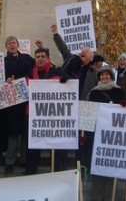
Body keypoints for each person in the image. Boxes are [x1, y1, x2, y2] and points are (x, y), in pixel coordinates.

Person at [50, 24, 101, 171]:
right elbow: (63, 48)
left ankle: (81, 168)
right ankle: (61, 166)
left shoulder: (94, 72)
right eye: (81, 51)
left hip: (84, 109)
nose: (82, 52)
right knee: (64, 138)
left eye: (86, 51)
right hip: (66, 108)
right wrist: (55, 35)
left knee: (81, 141)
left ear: (91, 58)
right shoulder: (72, 62)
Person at [24, 47, 68, 175]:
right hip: (33, 115)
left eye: (43, 56)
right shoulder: (28, 74)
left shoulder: (57, 72)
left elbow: (67, 83)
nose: (40, 59)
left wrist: (63, 75)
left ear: (48, 59)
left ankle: (56, 172)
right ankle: (30, 173)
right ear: (35, 59)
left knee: (53, 147)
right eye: (38, 57)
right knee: (33, 147)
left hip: (52, 116)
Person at [87, 66, 126, 201]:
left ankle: (111, 196)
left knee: (110, 166)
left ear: (111, 76)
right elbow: (89, 113)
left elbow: (125, 113)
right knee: (98, 165)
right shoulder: (94, 92)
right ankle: (96, 196)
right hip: (97, 135)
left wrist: (124, 106)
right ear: (99, 78)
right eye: (102, 75)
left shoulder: (119, 91)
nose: (104, 77)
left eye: (107, 75)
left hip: (113, 135)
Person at [3, 36, 35, 173]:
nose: (12, 45)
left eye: (14, 43)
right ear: (6, 46)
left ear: (18, 45)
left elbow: (37, 67)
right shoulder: (3, 62)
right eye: (9, 43)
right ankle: (10, 161)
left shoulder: (27, 58)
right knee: (13, 132)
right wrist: (6, 79)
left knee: (26, 131)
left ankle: (24, 159)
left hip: (28, 99)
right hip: (13, 101)